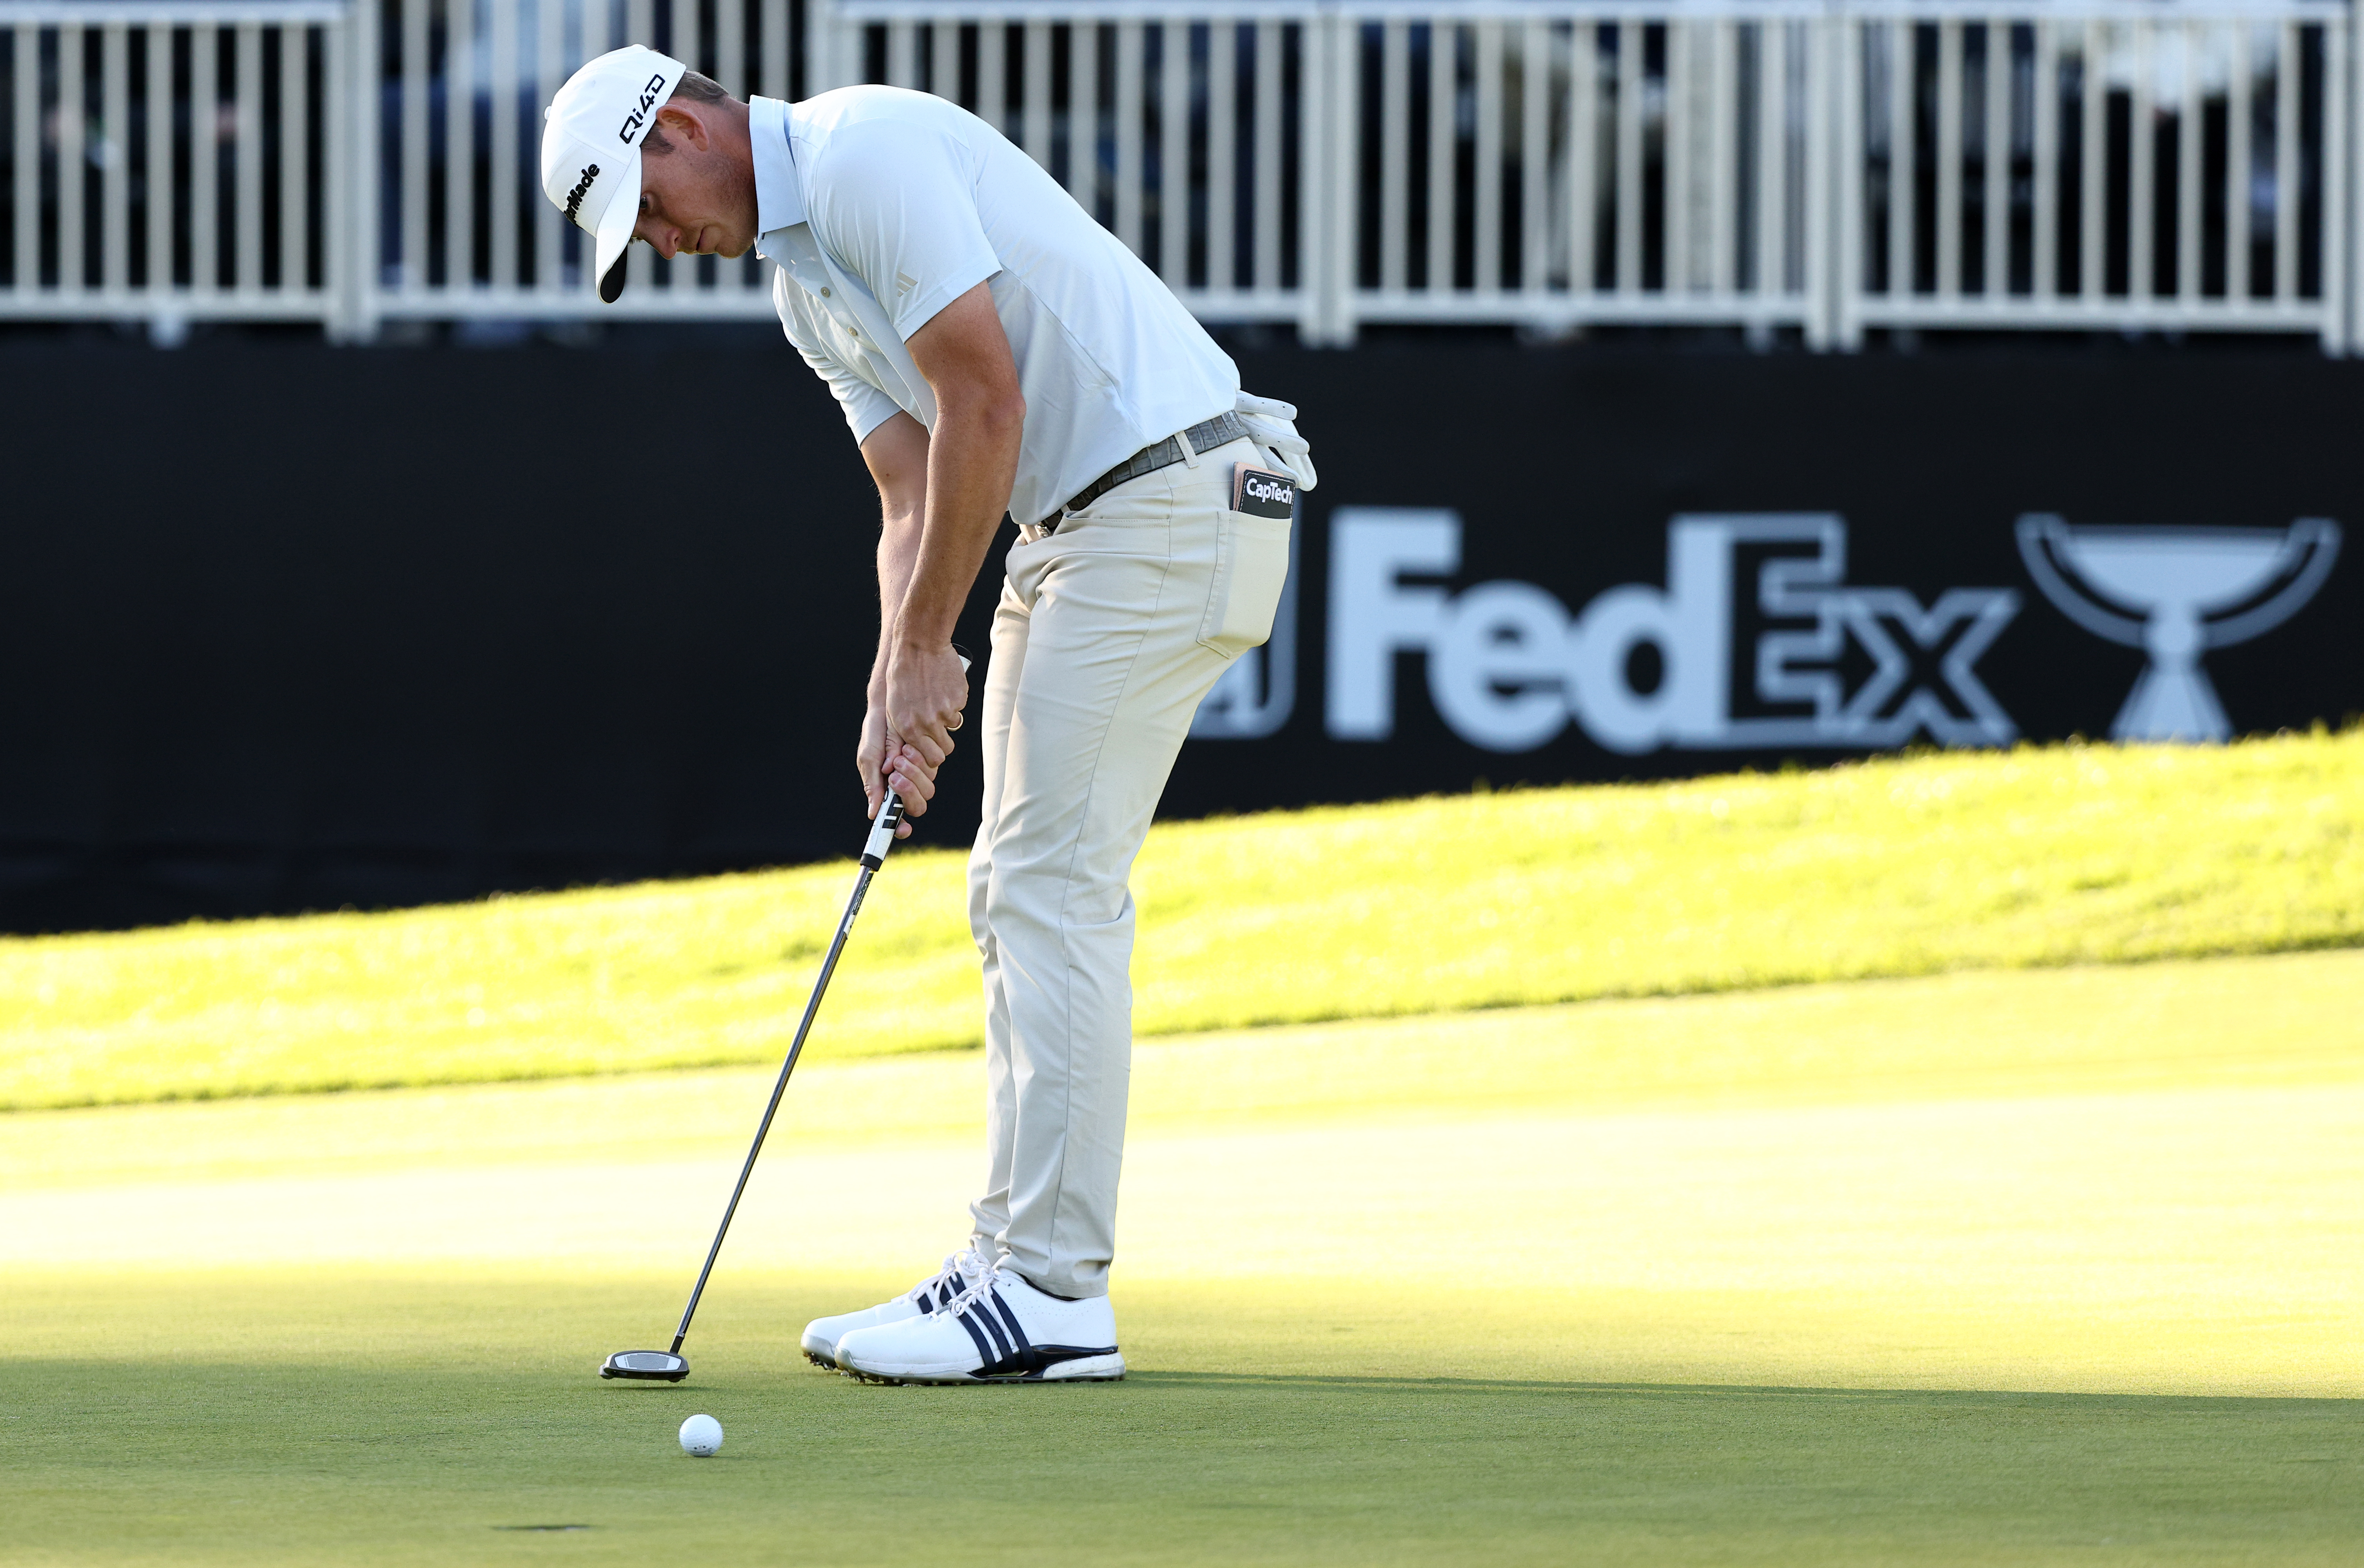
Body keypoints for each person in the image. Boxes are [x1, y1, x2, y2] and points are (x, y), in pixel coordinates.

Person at [541, 46, 1314, 1383]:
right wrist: (893, 682)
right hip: (1076, 527)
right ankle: (1010, 1257)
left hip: (1170, 493)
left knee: (1050, 885)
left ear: (677, 124)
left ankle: (1052, 1291)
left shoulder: (861, 151)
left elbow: (986, 395)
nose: (663, 245)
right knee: (1014, 890)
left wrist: (926, 646)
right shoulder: (802, 290)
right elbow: (910, 493)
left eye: (650, 213)